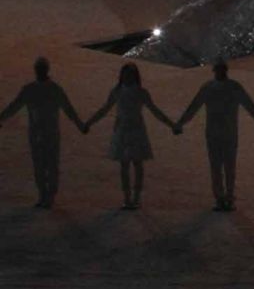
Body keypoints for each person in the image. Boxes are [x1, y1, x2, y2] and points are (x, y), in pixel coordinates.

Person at [175, 59, 254, 211]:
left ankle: (226, 197)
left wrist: (180, 123)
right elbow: (193, 107)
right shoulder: (229, 87)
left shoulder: (215, 87)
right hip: (221, 132)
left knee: (225, 167)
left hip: (223, 132)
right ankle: (222, 198)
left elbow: (251, 107)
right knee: (221, 166)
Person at [84, 63, 176, 210]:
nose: (127, 77)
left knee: (136, 164)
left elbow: (155, 110)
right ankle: (127, 197)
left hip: (135, 130)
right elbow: (104, 109)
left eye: (130, 75)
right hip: (124, 130)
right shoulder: (119, 91)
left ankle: (136, 197)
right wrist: (89, 122)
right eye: (126, 75)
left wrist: (171, 124)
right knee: (125, 165)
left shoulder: (139, 92)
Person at [0, 56, 88, 207]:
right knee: (43, 164)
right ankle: (44, 194)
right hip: (42, 133)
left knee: (47, 164)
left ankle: (47, 195)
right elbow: (69, 110)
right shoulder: (49, 89)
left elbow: (14, 107)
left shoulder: (35, 89)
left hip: (45, 133)